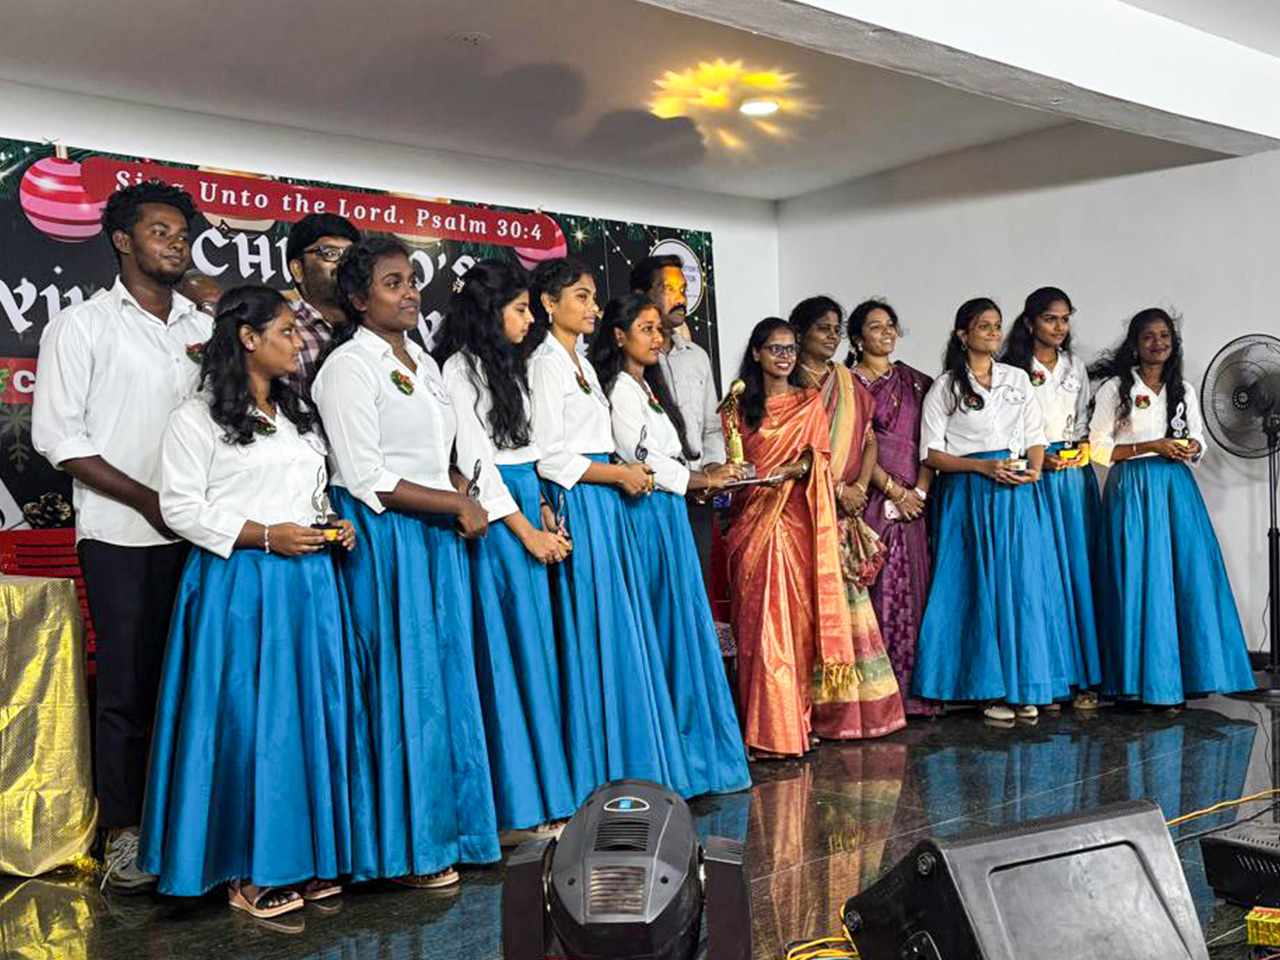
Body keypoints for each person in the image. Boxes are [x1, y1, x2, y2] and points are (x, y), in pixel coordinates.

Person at [138, 285, 356, 917]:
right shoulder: (197, 417)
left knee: (305, 719)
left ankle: (304, 856)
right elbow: (181, 508)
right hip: (243, 585)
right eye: (286, 330)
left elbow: (308, 489)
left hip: (308, 583)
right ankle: (246, 869)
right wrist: (263, 535)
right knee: (250, 722)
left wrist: (333, 523)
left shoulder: (294, 413)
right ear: (248, 338)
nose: (298, 341)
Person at [32, 180, 211, 891]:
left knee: (193, 682)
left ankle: (191, 826)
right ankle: (126, 834)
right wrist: (150, 501)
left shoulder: (202, 327)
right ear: (122, 241)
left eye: (182, 234)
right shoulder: (82, 326)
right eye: (160, 232)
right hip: (122, 534)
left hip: (204, 533)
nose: (175, 243)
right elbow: (60, 439)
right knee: (128, 690)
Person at [311, 235, 498, 887]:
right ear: (359, 299)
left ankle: (455, 830)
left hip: (435, 533)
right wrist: (454, 502)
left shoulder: (422, 360)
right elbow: (366, 475)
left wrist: (461, 488)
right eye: (393, 283)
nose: (411, 293)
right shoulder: (347, 368)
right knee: (401, 686)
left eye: (413, 280)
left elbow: (438, 453)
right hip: (385, 538)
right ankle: (403, 850)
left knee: (444, 684)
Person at [527, 257, 694, 797]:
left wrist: (621, 474)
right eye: (581, 296)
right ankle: (600, 767)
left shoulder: (577, 361)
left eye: (594, 297)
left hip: (605, 500)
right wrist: (618, 473)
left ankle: (630, 758)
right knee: (594, 632)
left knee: (619, 630)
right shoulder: (545, 364)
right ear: (548, 303)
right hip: (581, 498)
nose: (593, 307)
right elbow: (551, 455)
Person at [436, 259, 578, 844]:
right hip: (497, 520)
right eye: (519, 310)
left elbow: (525, 449)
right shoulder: (457, 370)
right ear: (489, 312)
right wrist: (525, 531)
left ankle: (547, 791)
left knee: (537, 656)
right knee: (507, 656)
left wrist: (542, 505)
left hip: (524, 498)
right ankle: (515, 808)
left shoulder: (508, 365)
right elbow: (477, 463)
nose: (527, 320)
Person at [590, 292, 750, 795]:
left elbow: (670, 453)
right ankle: (672, 757)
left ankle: (698, 754)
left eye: (659, 329)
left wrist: (705, 476)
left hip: (670, 515)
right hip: (647, 516)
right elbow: (642, 460)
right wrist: (704, 481)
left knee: (685, 626)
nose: (658, 338)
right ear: (619, 336)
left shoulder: (648, 386)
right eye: (646, 329)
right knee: (665, 628)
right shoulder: (617, 389)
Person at [724, 318, 895, 760]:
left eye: (790, 350)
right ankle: (762, 732)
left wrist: (797, 468)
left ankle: (793, 726)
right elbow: (731, 461)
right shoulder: (739, 405)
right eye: (775, 349)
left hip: (797, 523)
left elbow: (819, 460)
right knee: (759, 628)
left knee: (796, 629)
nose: (785, 357)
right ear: (757, 353)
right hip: (752, 523)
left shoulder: (807, 402)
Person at [912, 298, 1071, 723]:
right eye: (984, 326)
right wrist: (983, 468)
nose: (993, 333)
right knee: (975, 587)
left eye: (997, 326)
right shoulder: (946, 387)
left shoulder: (1016, 378)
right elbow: (931, 454)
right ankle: (985, 690)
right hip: (969, 492)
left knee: (1019, 585)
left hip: (1014, 493)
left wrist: (1033, 469)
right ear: (963, 335)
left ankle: (1024, 684)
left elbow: (1034, 434)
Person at [1088, 308, 1254, 705]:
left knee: (1183, 575)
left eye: (1164, 335)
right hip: (1133, 488)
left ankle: (1183, 675)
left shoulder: (1184, 390)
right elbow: (1096, 448)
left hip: (1175, 489)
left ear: (1173, 343)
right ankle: (1135, 681)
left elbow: (1197, 438)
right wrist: (1150, 446)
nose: (1157, 343)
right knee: (1136, 576)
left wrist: (1193, 447)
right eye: (1148, 336)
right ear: (1134, 344)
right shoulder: (1115, 389)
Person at [790, 296, 905, 738]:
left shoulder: (847, 382)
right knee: (812, 610)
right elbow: (793, 451)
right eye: (823, 328)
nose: (832, 336)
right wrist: (835, 489)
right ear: (800, 333)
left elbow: (869, 440)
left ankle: (858, 712)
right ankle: (812, 715)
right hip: (806, 511)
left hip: (845, 512)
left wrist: (857, 487)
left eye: (836, 329)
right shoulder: (789, 384)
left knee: (850, 611)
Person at [1000, 287, 1103, 709]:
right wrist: (1037, 458)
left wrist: (1079, 451)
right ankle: (1049, 675)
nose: (1059, 327)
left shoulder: (1074, 365)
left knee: (1078, 570)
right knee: (1042, 574)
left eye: (1064, 319)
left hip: (1072, 477)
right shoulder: (1012, 369)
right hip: (1033, 474)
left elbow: (1083, 420)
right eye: (1050, 319)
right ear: (1029, 323)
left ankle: (1085, 676)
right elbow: (1008, 424)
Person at [846, 299, 939, 717]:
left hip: (914, 504)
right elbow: (852, 445)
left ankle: (911, 693)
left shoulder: (918, 382)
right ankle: (874, 698)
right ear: (856, 338)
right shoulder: (845, 386)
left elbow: (932, 440)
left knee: (913, 589)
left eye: (890, 326)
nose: (885, 333)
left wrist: (918, 492)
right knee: (873, 590)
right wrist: (891, 490)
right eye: (875, 326)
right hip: (867, 499)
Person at [631, 255, 725, 581]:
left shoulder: (697, 357)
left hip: (699, 495)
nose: (681, 298)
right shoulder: (630, 362)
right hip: (651, 496)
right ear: (642, 296)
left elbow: (712, 427)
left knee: (695, 586)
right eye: (669, 289)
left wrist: (712, 469)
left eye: (683, 289)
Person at [285, 212, 361, 390]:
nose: (343, 263)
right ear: (297, 270)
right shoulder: (283, 329)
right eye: (330, 253)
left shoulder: (375, 325)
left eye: (350, 255)